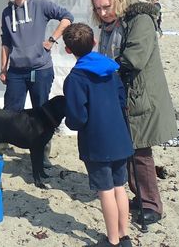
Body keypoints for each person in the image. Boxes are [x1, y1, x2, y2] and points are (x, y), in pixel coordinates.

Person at [90, 0, 178, 225]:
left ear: (118, 0)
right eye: (98, 9)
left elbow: (134, 58)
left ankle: (152, 204)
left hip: (141, 95)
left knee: (141, 152)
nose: (103, 13)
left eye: (106, 7)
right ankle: (139, 196)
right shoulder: (108, 26)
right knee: (127, 149)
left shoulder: (140, 20)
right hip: (122, 94)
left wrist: (99, 68)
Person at [62, 23, 133, 247]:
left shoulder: (75, 78)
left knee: (106, 190)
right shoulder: (111, 69)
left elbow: (77, 116)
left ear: (68, 50)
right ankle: (125, 235)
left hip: (96, 141)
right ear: (94, 42)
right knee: (120, 186)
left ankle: (112, 240)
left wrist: (73, 124)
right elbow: (122, 101)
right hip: (120, 136)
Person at [0, 0, 74, 166]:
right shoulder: (7, 14)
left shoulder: (39, 4)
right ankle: (3, 144)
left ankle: (43, 153)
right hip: (16, 70)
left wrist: (52, 39)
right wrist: (3, 68)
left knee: (42, 112)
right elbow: (5, 43)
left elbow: (67, 17)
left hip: (41, 69)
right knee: (11, 110)